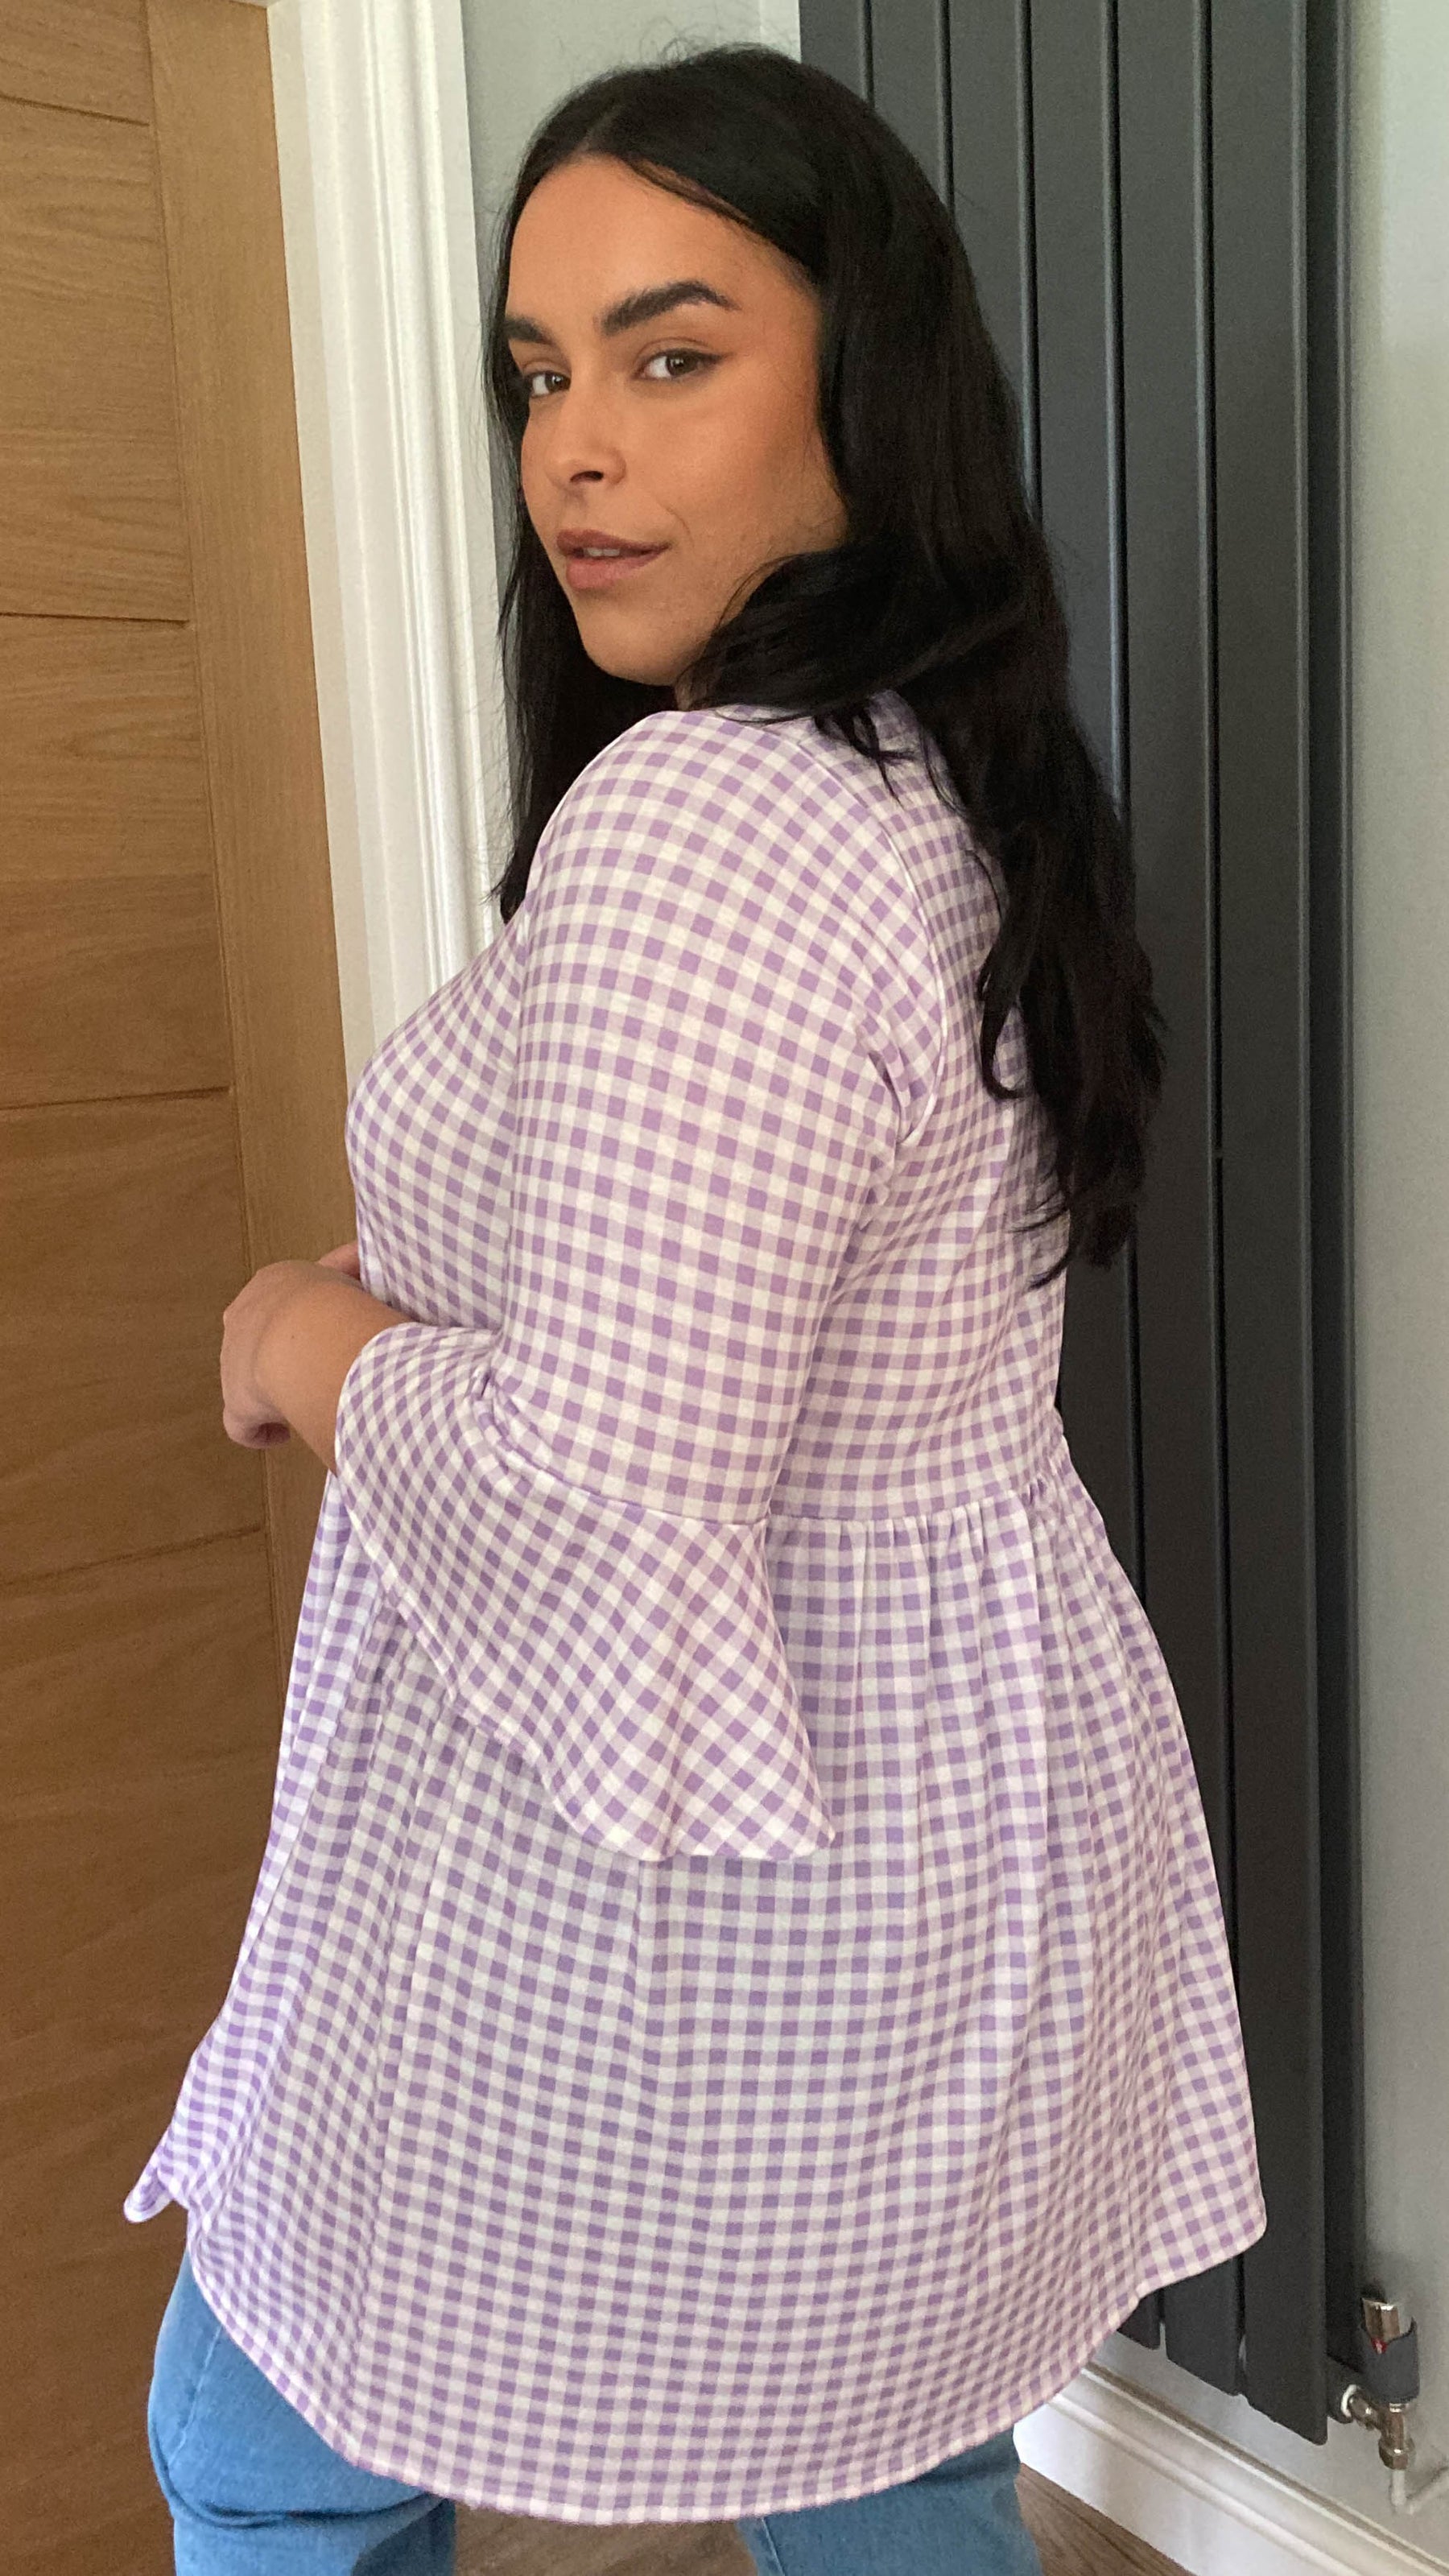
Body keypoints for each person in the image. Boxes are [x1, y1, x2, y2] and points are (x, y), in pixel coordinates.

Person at [135, 43, 1265, 2575]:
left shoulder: (708, 823)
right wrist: (434, 1276)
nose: (576, 453)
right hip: (938, 1809)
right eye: (539, 376)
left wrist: (302, 1345)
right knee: (884, 2446)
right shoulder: (928, 777)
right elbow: (770, 1267)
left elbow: (604, 1494)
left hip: (683, 1847)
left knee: (267, 2445)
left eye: (672, 355)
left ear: (868, 381)